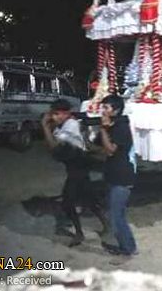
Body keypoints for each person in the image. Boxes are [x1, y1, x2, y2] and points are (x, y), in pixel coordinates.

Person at [41, 99, 108, 247]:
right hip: (77, 166)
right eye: (53, 114)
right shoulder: (65, 124)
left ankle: (79, 234)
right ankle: (107, 226)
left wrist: (45, 126)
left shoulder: (70, 125)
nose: (54, 117)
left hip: (77, 166)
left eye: (56, 114)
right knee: (88, 198)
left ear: (65, 113)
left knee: (68, 202)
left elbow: (54, 146)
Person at [98, 95, 138, 264]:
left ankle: (126, 251)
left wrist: (102, 129)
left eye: (106, 108)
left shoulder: (121, 127)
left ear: (116, 109)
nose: (103, 111)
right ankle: (130, 246)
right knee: (118, 214)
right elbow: (99, 147)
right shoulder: (114, 125)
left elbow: (110, 149)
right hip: (114, 174)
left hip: (122, 176)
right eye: (103, 108)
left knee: (116, 217)